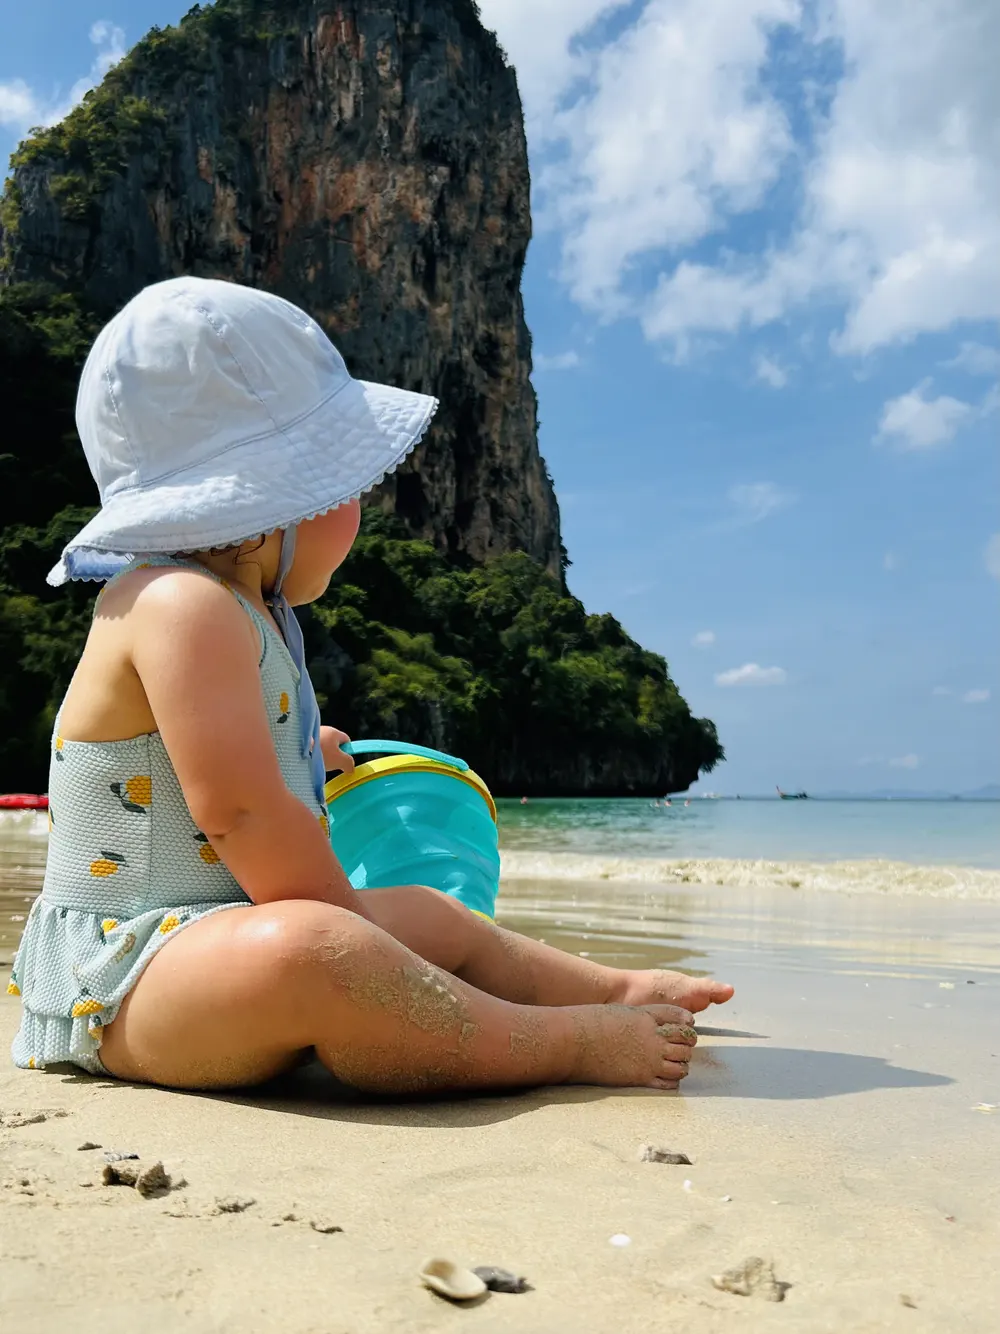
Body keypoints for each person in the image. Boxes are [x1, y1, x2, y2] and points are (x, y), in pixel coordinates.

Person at [8, 278, 732, 1096]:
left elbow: (215, 764)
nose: (360, 504)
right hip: (124, 978)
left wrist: (303, 758)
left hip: (212, 944)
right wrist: (364, 936)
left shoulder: (247, 611)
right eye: (344, 486)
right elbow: (242, 815)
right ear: (273, 501)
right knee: (331, 952)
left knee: (431, 913)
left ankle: (609, 989)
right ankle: (556, 1042)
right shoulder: (181, 603)